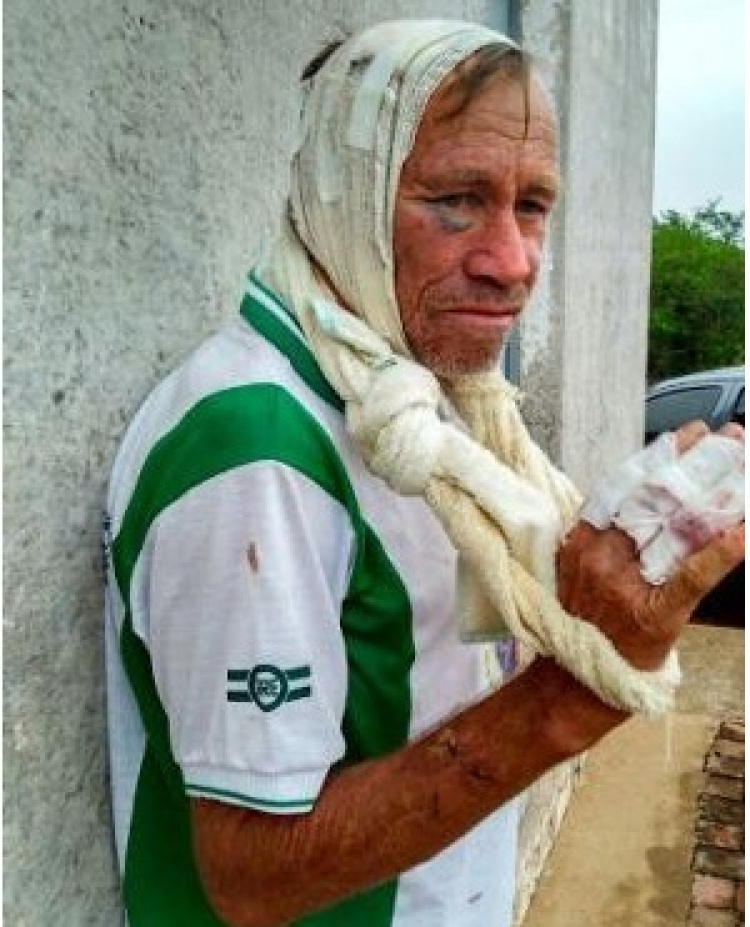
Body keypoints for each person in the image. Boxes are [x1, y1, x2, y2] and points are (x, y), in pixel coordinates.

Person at [103, 19, 744, 927]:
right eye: (455, 199)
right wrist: (569, 695)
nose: (511, 264)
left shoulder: (412, 390)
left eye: (532, 206)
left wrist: (617, 562)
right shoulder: (257, 451)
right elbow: (251, 876)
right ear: (342, 191)